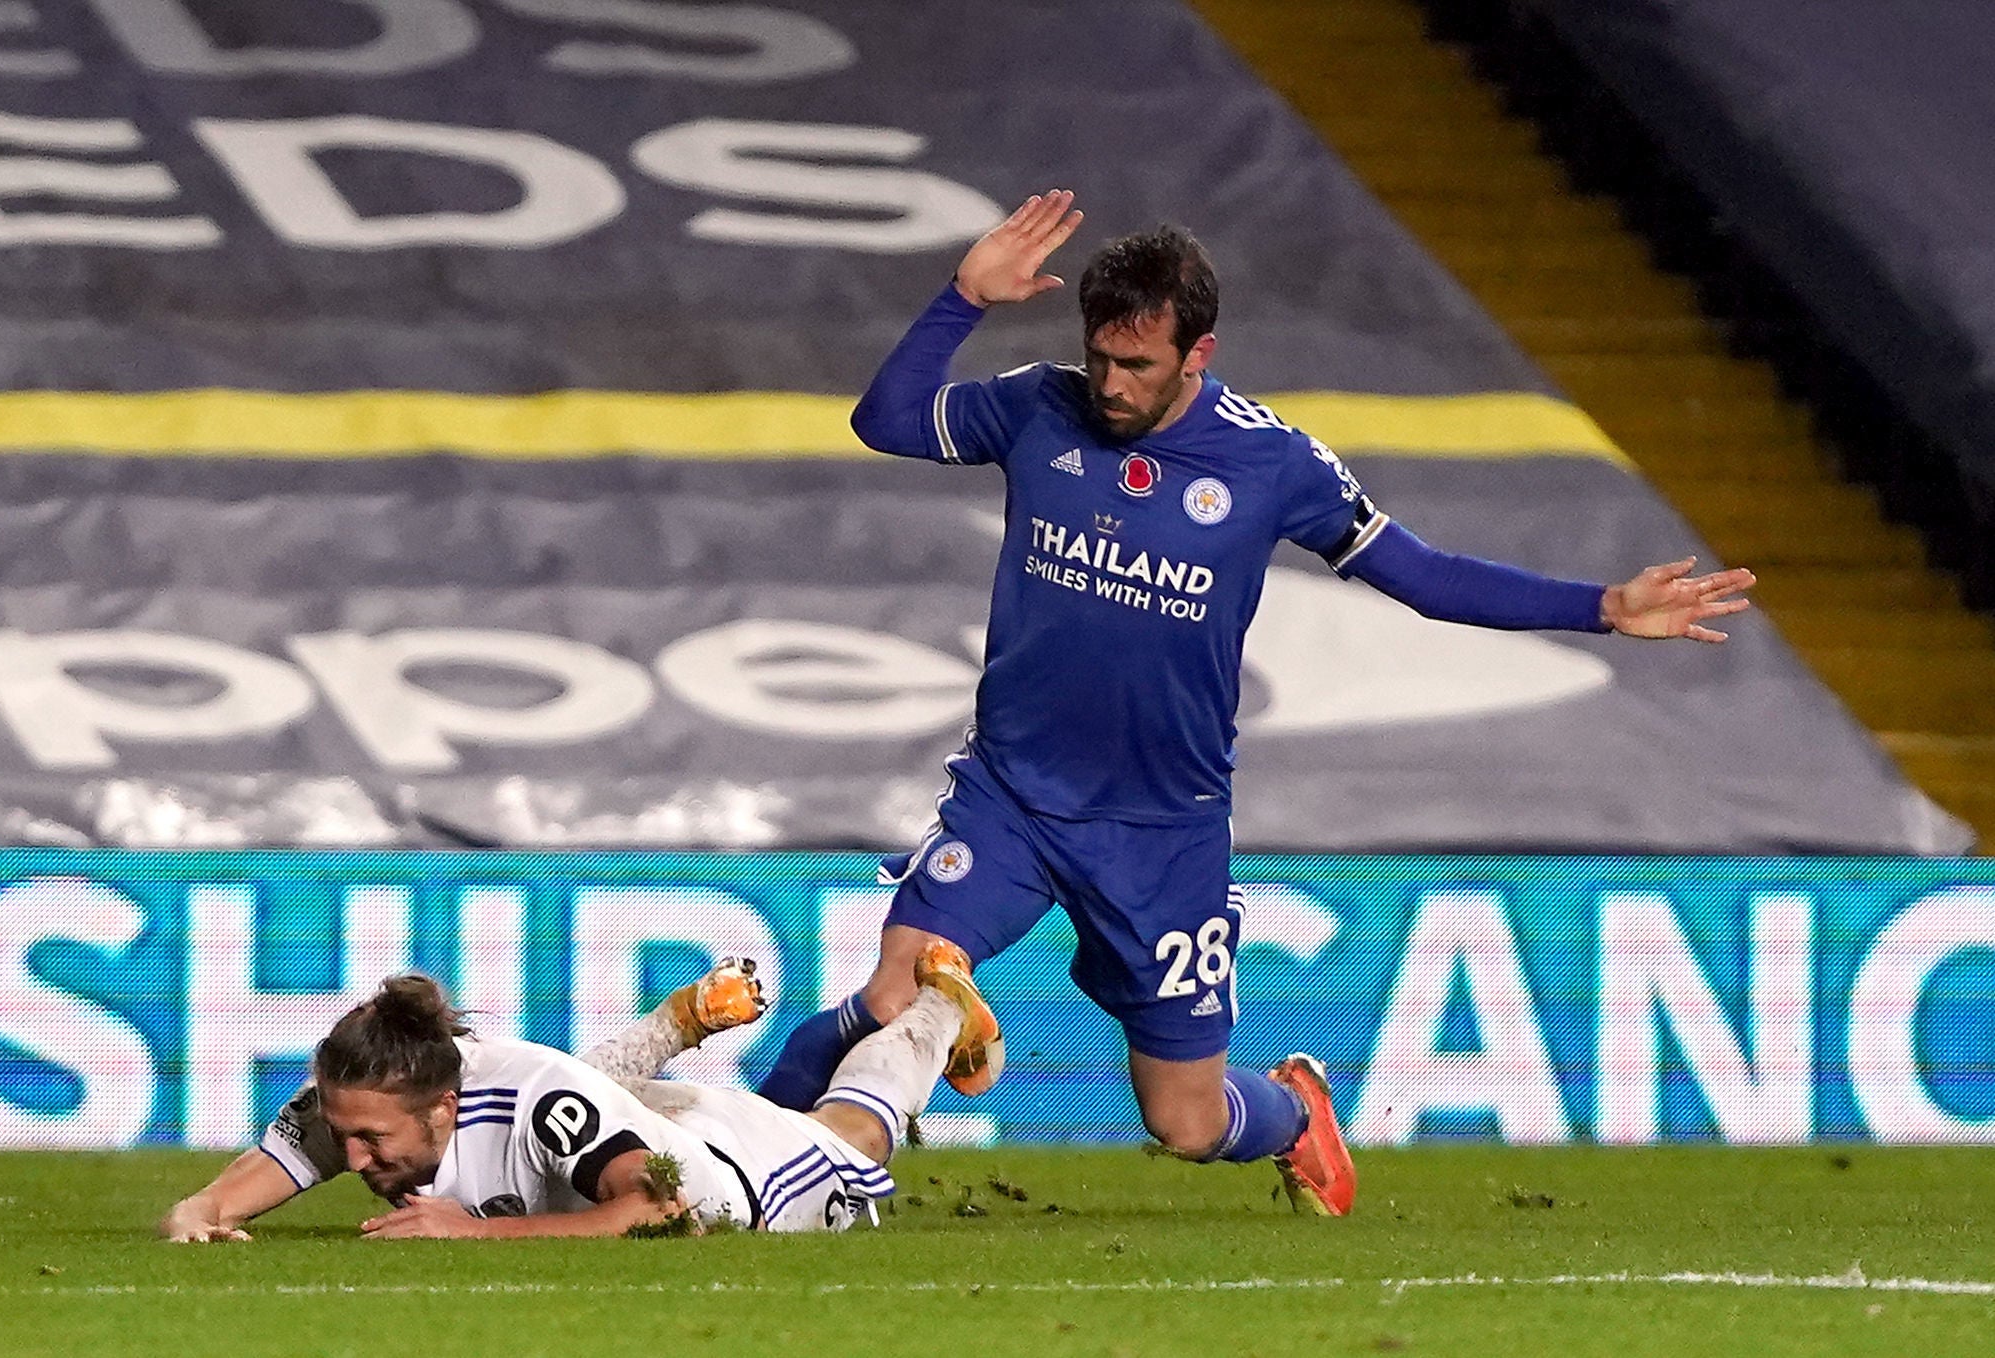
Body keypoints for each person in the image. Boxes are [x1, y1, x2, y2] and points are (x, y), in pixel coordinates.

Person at [754, 189, 1758, 1216]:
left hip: (1161, 832)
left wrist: (1597, 606)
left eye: (1135, 365)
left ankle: (1288, 1111)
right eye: (1098, 357)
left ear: (1198, 352)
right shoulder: (1032, 405)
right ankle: (739, 1172)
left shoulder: (1273, 462)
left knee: (1184, 1120)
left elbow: (1421, 575)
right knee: (895, 992)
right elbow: (882, 420)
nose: (1108, 383)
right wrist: (963, 296)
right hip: (1010, 795)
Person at [159, 947, 998, 1240]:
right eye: (345, 1137)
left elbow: (655, 1211)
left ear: (443, 1107)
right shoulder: (368, 1093)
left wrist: (475, 1233)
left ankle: (936, 1010)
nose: (350, 1157)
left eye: (372, 1142)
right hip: (621, 1108)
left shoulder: (528, 1090)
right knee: (566, 1109)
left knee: (847, 1133)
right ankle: (674, 1025)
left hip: (730, 1178)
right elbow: (231, 1192)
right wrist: (198, 1212)